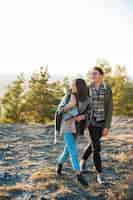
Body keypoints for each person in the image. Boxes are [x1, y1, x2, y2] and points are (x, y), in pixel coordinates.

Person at [80, 67, 113, 184]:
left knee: (93, 144)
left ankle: (82, 161)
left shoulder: (107, 88)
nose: (93, 75)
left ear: (101, 75)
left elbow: (110, 108)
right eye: (92, 74)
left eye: (95, 73)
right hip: (91, 122)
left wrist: (107, 126)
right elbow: (82, 102)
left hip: (102, 122)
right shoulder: (89, 88)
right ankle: (99, 174)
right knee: (97, 148)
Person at [56, 78, 89, 186]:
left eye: (74, 85)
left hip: (77, 127)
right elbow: (59, 111)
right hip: (67, 127)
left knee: (67, 150)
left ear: (80, 87)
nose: (72, 86)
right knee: (74, 152)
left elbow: (90, 112)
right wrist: (70, 104)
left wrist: (83, 116)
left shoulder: (86, 98)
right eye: (72, 84)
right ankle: (79, 175)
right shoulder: (68, 96)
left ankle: (59, 163)